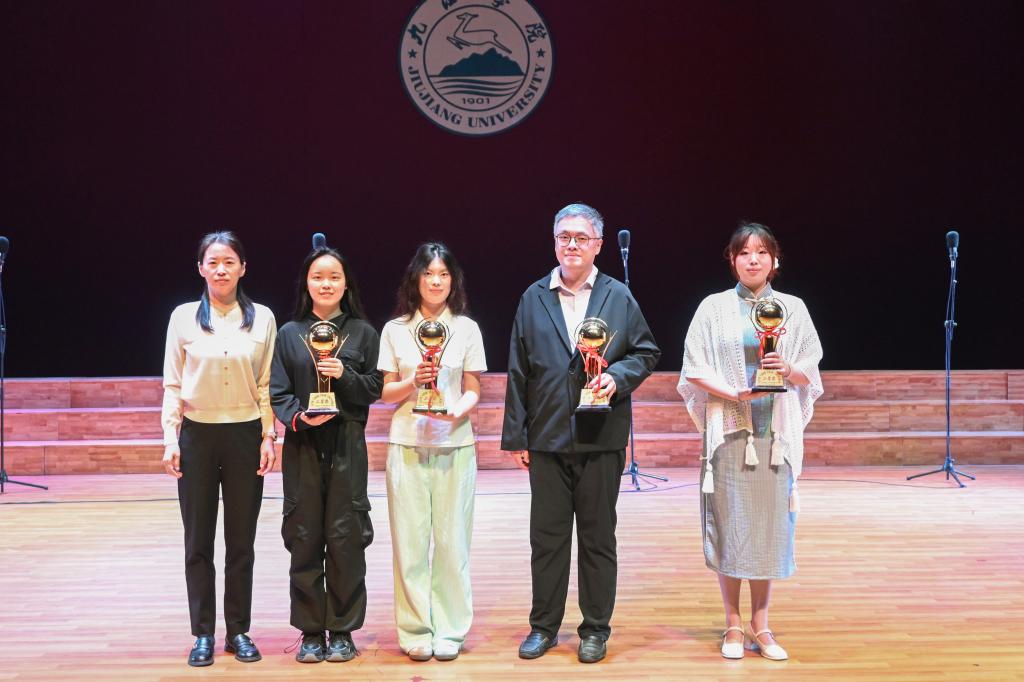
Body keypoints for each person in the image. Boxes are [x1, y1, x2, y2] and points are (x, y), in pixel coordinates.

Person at [501, 203, 661, 663]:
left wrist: (618, 377)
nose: (572, 245)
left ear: (598, 245)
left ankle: (595, 629)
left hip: (601, 436)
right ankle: (543, 627)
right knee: (547, 539)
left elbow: (646, 352)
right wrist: (517, 436)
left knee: (597, 538)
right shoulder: (533, 296)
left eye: (581, 238)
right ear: (555, 242)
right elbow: (518, 368)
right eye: (564, 237)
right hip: (547, 436)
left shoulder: (617, 295)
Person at [677, 222, 823, 661]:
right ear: (732, 259)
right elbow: (693, 368)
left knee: (768, 528)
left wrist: (787, 368)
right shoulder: (713, 307)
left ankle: (762, 624)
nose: (753, 259)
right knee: (730, 525)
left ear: (775, 260)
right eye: (744, 252)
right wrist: (736, 393)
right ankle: (733, 623)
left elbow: (810, 368)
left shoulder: (793, 308)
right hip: (729, 431)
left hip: (775, 435)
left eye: (761, 252)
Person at [161, 231, 278, 667]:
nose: (221, 269)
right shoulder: (182, 318)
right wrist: (170, 438)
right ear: (200, 268)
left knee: (241, 541)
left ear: (243, 268)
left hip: (245, 435)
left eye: (229, 261)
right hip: (198, 436)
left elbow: (266, 384)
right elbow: (173, 383)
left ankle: (239, 631)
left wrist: (268, 436)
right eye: (213, 262)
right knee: (198, 542)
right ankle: (203, 634)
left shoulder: (262, 318)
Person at [269, 241, 383, 663]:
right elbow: (278, 392)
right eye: (318, 276)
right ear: (306, 283)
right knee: (303, 538)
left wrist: (345, 374)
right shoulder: (289, 333)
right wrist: (299, 418)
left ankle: (344, 631)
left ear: (346, 283)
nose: (326, 283)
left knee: (346, 539)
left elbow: (375, 388)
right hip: (302, 445)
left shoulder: (364, 332)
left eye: (334, 276)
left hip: (347, 443)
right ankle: (311, 631)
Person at [377, 242, 486, 662]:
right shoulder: (395, 329)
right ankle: (415, 630)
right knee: (410, 544)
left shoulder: (467, 329)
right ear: (415, 279)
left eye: (443, 274)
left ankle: (451, 631)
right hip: (406, 444)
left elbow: (473, 388)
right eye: (428, 274)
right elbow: (387, 393)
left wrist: (458, 410)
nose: (436, 281)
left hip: (454, 443)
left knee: (453, 543)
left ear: (453, 281)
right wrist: (413, 381)